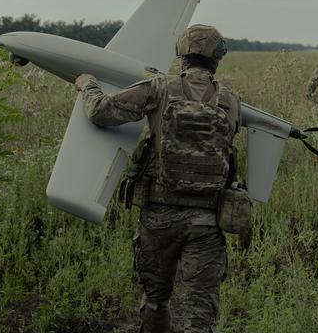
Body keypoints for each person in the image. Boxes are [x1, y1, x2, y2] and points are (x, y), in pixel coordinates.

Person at [74, 24, 243, 333]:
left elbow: (101, 112)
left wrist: (88, 84)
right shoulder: (230, 101)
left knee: (156, 300)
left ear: (181, 56)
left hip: (159, 217)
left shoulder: (159, 88)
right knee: (199, 314)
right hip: (208, 221)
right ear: (217, 59)